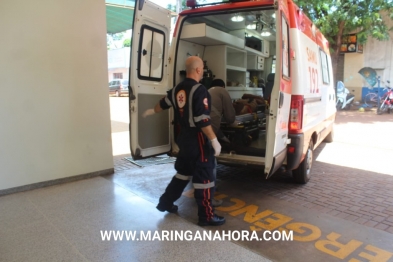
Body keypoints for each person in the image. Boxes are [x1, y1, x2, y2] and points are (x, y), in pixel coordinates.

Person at [142, 56, 225, 226]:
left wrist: (151, 111)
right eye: (202, 69)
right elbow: (203, 120)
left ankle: (165, 202)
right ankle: (206, 216)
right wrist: (214, 140)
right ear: (198, 70)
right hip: (198, 140)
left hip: (184, 140)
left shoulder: (176, 90)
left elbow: (162, 104)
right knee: (205, 178)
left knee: (182, 174)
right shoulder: (200, 90)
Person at [208, 79, 238, 207]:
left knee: (203, 161)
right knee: (210, 162)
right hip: (209, 131)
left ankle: (208, 185)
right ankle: (210, 192)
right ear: (223, 86)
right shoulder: (222, 91)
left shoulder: (207, 91)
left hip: (200, 130)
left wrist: (224, 138)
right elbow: (230, 117)